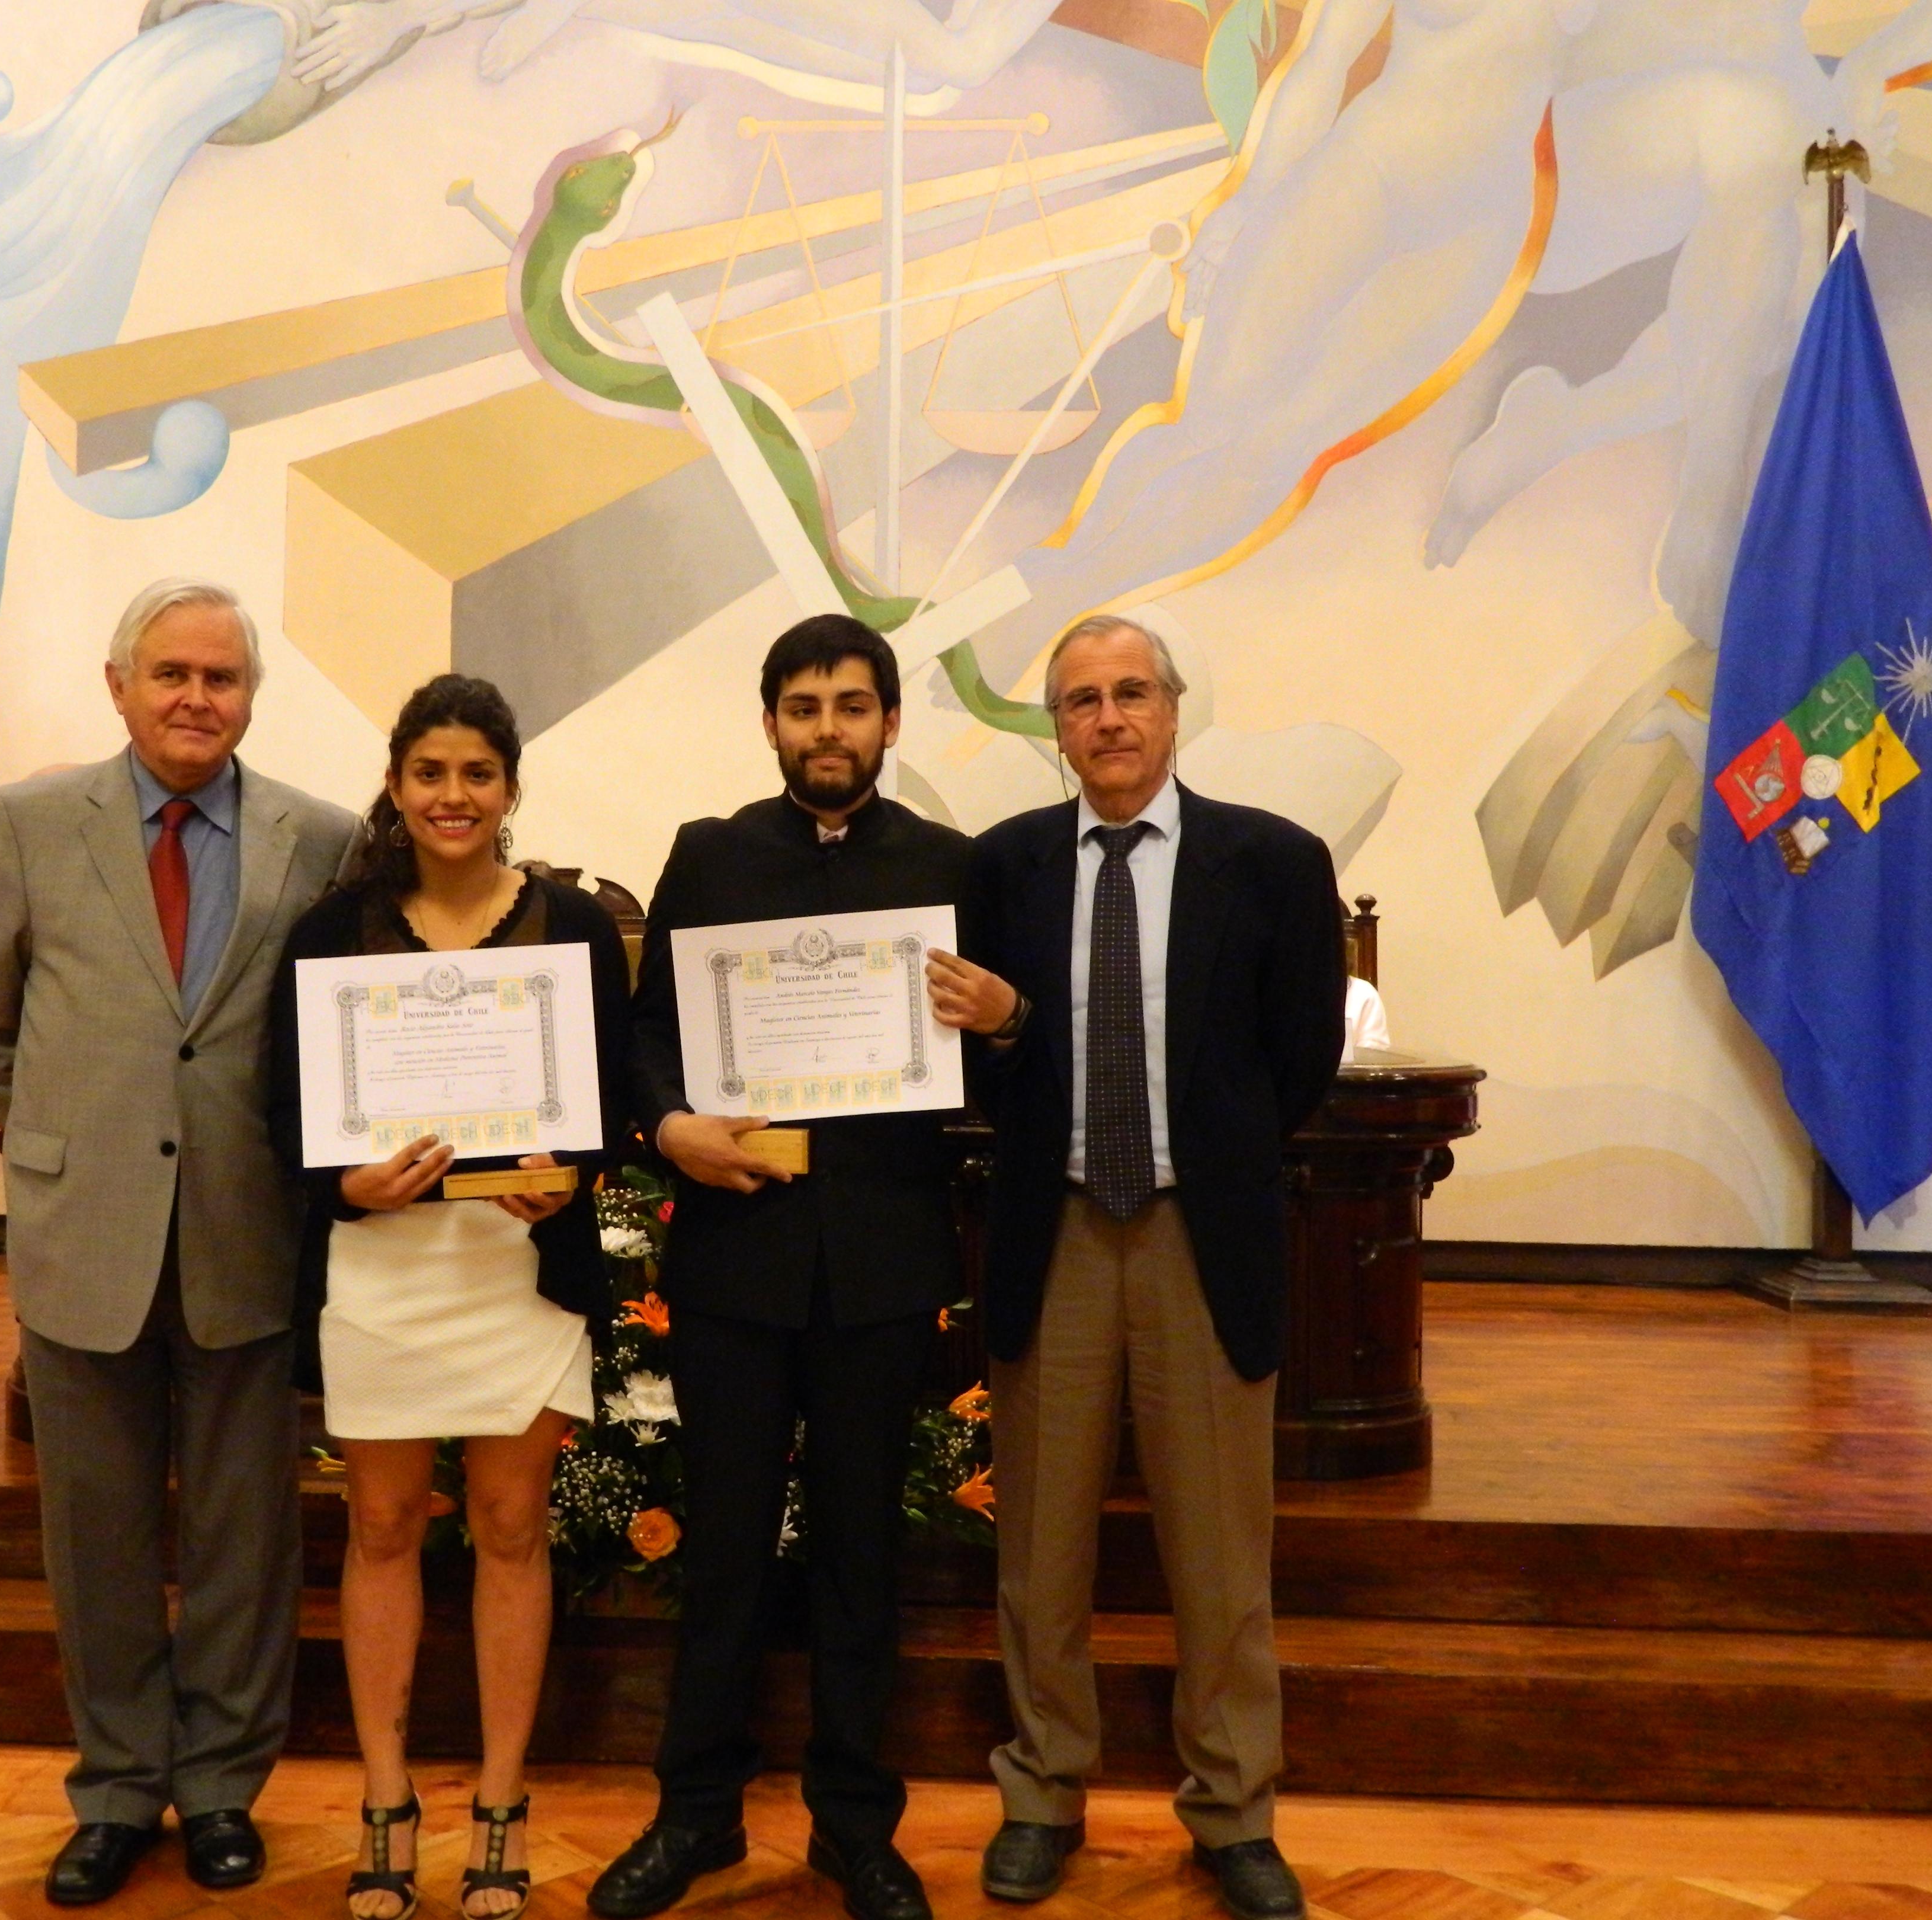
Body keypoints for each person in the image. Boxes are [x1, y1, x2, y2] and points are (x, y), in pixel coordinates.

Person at [0, 580, 361, 1904]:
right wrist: (53, 1124)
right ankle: (117, 1789)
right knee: (99, 1535)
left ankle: (224, 1786)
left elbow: (327, 1030)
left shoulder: (322, 839)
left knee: (246, 1538)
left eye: (221, 679)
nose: (195, 698)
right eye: (170, 673)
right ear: (119, 685)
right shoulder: (35, 821)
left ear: (249, 699)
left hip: (247, 1232)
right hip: (84, 1237)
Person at [588, 615, 1017, 1920]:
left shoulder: (950, 866)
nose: (827, 729)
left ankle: (851, 1825)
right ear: (768, 723)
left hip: (880, 1264)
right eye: (802, 706)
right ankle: (698, 1817)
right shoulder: (709, 858)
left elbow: (990, 1051)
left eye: (851, 705)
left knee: (856, 1560)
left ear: (891, 723)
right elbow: (647, 1036)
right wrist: (668, 1129)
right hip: (732, 1259)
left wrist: (1001, 1022)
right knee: (721, 1551)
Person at [957, 615, 1344, 1920]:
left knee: (1223, 1559)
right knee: (1042, 1554)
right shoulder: (1002, 870)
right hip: (1052, 1233)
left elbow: (1297, 1062)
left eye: (1132, 694)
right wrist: (1017, 1037)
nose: (1109, 719)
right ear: (1054, 731)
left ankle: (1234, 1813)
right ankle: (1042, 1795)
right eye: (1081, 701)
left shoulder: (1275, 863)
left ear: (1175, 713)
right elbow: (974, 1062)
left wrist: (1210, 1154)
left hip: (1201, 1238)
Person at [264, 674, 636, 1920]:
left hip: (517, 1275)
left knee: (512, 1529)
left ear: (510, 788)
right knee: (379, 1531)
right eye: (431, 772)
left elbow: (612, 1103)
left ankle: (500, 1806)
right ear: (397, 784)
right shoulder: (332, 931)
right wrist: (345, 1181)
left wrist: (567, 1179)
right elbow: (285, 1115)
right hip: (383, 1268)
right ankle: (384, 1802)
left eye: (478, 772)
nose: (454, 796)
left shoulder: (575, 928)